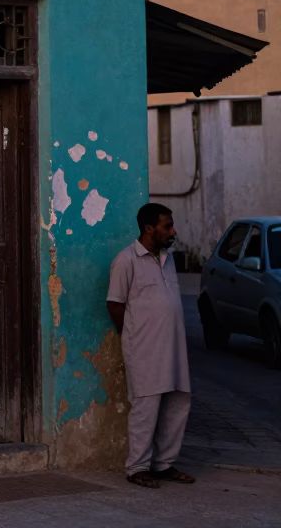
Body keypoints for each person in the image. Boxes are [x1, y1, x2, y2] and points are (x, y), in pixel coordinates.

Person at [106, 202, 196, 488]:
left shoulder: (168, 258)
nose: (173, 230)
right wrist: (132, 336)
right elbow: (115, 304)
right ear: (149, 228)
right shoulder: (126, 261)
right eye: (167, 226)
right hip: (144, 348)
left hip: (174, 347)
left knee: (178, 401)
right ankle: (137, 467)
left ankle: (164, 464)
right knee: (146, 405)